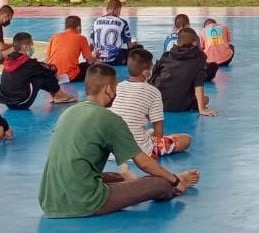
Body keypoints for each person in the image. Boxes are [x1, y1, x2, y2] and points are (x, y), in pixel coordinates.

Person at [38, 64, 200, 218]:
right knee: (159, 184)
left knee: (114, 176)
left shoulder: (68, 112)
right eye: (115, 87)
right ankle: (175, 181)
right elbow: (143, 162)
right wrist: (174, 181)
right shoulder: (110, 119)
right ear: (109, 89)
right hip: (85, 202)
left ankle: (130, 181)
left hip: (49, 201)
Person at [111, 48, 191, 159]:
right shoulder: (153, 92)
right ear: (146, 73)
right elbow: (158, 134)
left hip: (114, 151)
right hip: (141, 152)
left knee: (148, 131)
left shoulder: (118, 87)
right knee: (186, 139)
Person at [0, 33, 78, 110]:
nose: (32, 48)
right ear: (25, 47)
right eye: (31, 45)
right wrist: (53, 71)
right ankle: (59, 95)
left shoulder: (9, 59)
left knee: (38, 72)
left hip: (7, 103)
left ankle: (57, 95)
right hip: (21, 103)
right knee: (43, 75)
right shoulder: (30, 64)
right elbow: (49, 70)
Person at [149, 28, 217, 116]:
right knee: (206, 99)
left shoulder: (166, 55)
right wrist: (202, 109)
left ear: (178, 42)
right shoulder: (200, 58)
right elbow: (198, 84)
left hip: (158, 103)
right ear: (195, 43)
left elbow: (153, 76)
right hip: (181, 105)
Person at [47, 16, 95, 83]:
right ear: (79, 27)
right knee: (93, 67)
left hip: (52, 74)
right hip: (69, 75)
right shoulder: (81, 38)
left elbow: (47, 59)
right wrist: (94, 55)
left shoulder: (54, 37)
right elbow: (89, 60)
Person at [92, 0, 138, 66]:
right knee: (138, 49)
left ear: (107, 9)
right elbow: (129, 46)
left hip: (99, 58)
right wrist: (134, 44)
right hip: (115, 59)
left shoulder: (96, 21)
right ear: (118, 9)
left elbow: (94, 42)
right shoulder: (123, 22)